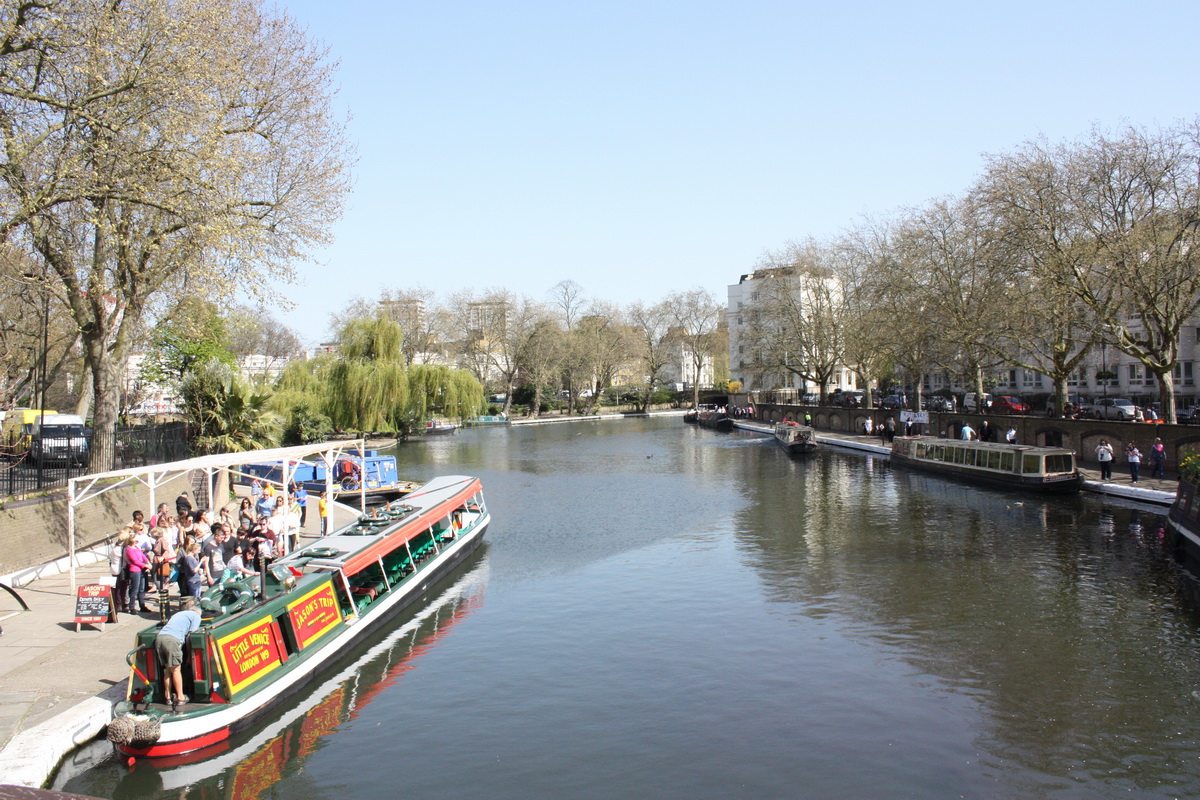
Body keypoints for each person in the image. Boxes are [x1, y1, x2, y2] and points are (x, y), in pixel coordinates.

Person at [155, 597, 201, 707]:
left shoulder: (178, 614)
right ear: (197, 611)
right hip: (172, 641)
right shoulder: (196, 616)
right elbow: (191, 635)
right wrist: (189, 656)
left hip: (160, 638)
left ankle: (168, 697)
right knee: (176, 670)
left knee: (167, 669)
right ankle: (180, 697)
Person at [124, 534, 152, 612]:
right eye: (136, 539)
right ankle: (132, 607)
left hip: (142, 569)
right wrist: (145, 565)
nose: (137, 541)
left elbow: (143, 556)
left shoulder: (136, 547)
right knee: (135, 589)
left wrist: (148, 562)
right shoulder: (129, 549)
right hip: (135, 570)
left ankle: (142, 605)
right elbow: (135, 561)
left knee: (142, 589)